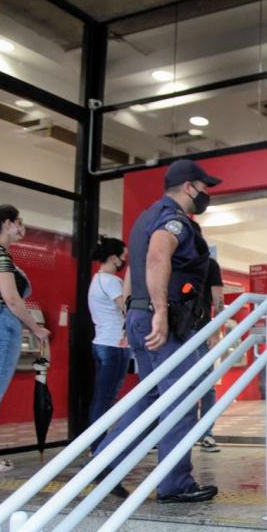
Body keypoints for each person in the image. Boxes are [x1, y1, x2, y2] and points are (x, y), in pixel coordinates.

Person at [93, 159, 221, 503]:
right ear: (189, 187)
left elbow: (136, 268)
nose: (207, 193)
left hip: (140, 315)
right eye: (204, 186)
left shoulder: (147, 216)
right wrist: (160, 311)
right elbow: (156, 258)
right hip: (163, 320)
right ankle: (175, 483)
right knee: (179, 399)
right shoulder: (174, 221)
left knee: (151, 396)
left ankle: (106, 462)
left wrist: (135, 312)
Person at [0, 205, 51, 473]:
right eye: (19, 221)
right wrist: (36, 328)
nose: (22, 227)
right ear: (7, 224)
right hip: (2, 325)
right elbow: (12, 299)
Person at [87, 237, 130, 454]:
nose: (125, 261)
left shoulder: (96, 280)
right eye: (124, 256)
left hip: (102, 342)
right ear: (113, 258)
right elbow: (126, 308)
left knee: (102, 398)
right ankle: (98, 447)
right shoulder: (112, 281)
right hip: (114, 345)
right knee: (106, 398)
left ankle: (97, 445)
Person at [196, 255, 224, 452]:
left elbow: (218, 300)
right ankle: (185, 433)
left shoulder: (208, 264)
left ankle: (206, 433)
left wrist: (215, 330)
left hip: (201, 329)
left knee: (206, 383)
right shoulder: (173, 260)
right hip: (175, 331)